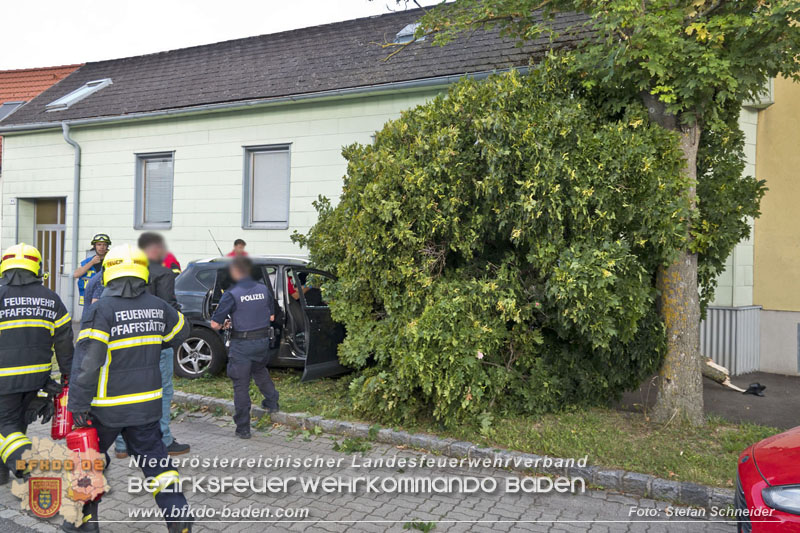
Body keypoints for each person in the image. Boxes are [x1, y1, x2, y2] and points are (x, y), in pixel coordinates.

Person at [68, 244, 192, 533]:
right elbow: (182, 332)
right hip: (146, 407)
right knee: (158, 466)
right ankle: (179, 516)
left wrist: (77, 404)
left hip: (106, 409)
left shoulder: (101, 309)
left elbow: (88, 363)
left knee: (88, 462)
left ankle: (85, 522)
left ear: (109, 273)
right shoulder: (158, 306)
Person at [0, 243, 73, 486]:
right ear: (37, 268)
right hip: (37, 379)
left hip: (3, 379)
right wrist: (67, 377)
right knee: (15, 425)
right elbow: (64, 343)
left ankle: (27, 463)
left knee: (5, 428)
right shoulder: (51, 299)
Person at [114, 233, 189, 459]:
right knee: (163, 392)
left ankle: (121, 444)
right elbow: (169, 309)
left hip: (125, 342)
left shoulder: (121, 272)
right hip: (157, 343)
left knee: (125, 389)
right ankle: (164, 439)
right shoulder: (163, 273)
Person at [210, 256, 278, 439]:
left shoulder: (231, 293)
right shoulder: (263, 289)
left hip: (242, 345)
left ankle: (243, 428)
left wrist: (225, 323)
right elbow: (272, 317)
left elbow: (215, 325)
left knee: (240, 385)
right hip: (263, 342)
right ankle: (272, 402)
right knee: (260, 370)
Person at [73, 234, 111, 306]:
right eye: (99, 244)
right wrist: (92, 262)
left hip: (106, 298)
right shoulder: (89, 261)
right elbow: (76, 274)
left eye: (104, 245)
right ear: (94, 246)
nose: (102, 247)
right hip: (89, 300)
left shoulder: (111, 260)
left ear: (107, 246)